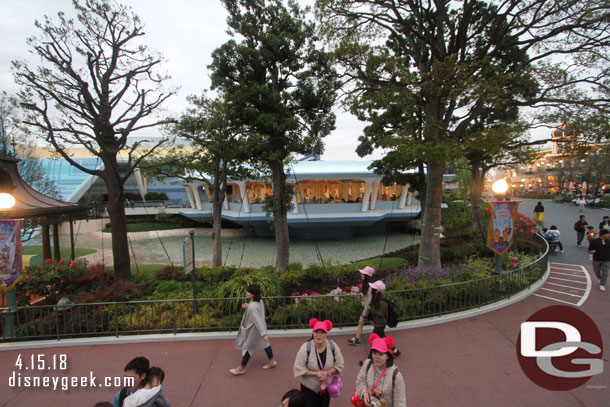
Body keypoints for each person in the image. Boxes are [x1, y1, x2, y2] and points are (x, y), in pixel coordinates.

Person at [293, 318, 345, 407]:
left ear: (326, 333)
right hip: (308, 388)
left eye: (322, 332)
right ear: (313, 333)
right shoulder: (305, 348)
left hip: (326, 386)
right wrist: (316, 373)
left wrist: (328, 373)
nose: (319, 335)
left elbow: (340, 364)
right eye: (316, 332)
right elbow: (298, 368)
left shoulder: (333, 346)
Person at [230, 284, 276, 375]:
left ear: (253, 294)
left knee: (248, 348)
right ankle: (272, 361)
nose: (247, 293)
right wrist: (248, 305)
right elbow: (256, 310)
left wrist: (263, 334)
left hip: (254, 331)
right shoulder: (259, 301)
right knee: (265, 344)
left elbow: (257, 320)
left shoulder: (253, 307)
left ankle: (241, 368)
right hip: (260, 329)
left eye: (249, 292)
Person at [355, 334, 406, 407]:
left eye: (381, 354)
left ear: (387, 356)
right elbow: (360, 381)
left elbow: (400, 402)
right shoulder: (367, 364)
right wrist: (364, 392)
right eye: (374, 353)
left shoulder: (396, 376)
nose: (376, 357)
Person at [367, 281, 399, 356]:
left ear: (377, 290)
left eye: (373, 288)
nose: (371, 289)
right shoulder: (377, 299)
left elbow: (380, 314)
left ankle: (370, 358)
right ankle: (395, 351)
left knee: (374, 340)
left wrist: (371, 309)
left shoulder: (382, 302)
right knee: (383, 338)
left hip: (380, 324)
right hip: (378, 323)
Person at [348, 266, 375, 346]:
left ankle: (358, 339)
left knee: (363, 322)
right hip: (366, 307)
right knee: (366, 323)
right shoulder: (366, 285)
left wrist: (365, 311)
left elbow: (369, 300)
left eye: (363, 274)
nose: (361, 275)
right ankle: (357, 338)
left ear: (366, 276)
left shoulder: (370, 287)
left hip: (368, 308)